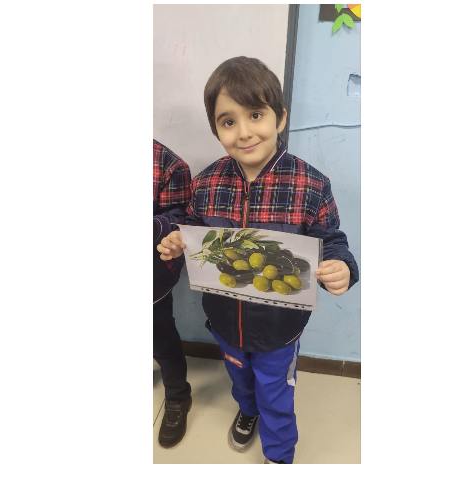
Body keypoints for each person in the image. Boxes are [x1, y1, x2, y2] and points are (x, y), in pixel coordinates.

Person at [157, 57, 359, 463]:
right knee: (239, 378)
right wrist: (177, 240)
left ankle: (279, 456)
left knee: (276, 393)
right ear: (216, 129)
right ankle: (247, 410)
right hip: (224, 321)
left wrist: (343, 268)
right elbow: (193, 228)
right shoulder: (206, 182)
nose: (245, 132)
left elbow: (331, 240)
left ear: (280, 117)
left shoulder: (310, 184)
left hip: (280, 328)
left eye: (255, 115)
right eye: (228, 121)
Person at [153, 139, 193, 448]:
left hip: (150, 275)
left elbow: (180, 219)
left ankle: (178, 396)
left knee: (160, 335)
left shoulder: (167, 163)